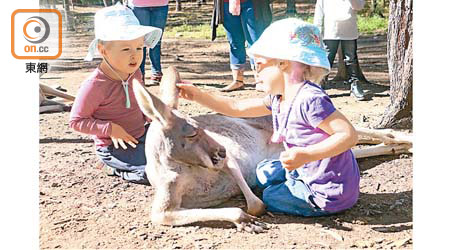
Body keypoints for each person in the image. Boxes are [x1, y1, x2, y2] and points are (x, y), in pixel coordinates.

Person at [177, 18, 360, 216]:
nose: (255, 72)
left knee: (271, 195)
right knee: (263, 170)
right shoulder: (279, 98)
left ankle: (297, 190)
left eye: (260, 65)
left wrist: (307, 155)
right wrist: (198, 95)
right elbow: (236, 107)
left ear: (283, 63)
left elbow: (348, 135)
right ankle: (292, 180)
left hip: (327, 191)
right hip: (305, 168)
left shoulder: (310, 100)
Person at [70, 3, 162, 185]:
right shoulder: (94, 85)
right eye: (126, 49)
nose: (135, 56)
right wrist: (110, 129)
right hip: (114, 146)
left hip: (142, 134)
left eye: (139, 48)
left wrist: (151, 115)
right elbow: (76, 121)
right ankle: (113, 167)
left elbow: (139, 98)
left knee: (177, 154)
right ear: (103, 50)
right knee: (154, 174)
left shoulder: (135, 72)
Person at [314, 0, 370, 101]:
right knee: (327, 58)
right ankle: (320, 84)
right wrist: (317, 30)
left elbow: (358, 6)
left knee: (351, 59)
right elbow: (319, 12)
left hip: (349, 30)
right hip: (331, 31)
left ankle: (354, 85)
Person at [211, 0, 272, 92]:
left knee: (255, 41)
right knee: (234, 41)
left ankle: (260, 80)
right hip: (226, 3)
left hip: (252, 3)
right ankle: (237, 80)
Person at [127, 0, 169, 86]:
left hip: (161, 4)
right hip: (138, 5)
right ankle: (139, 75)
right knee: (140, 41)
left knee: (156, 40)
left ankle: (156, 73)